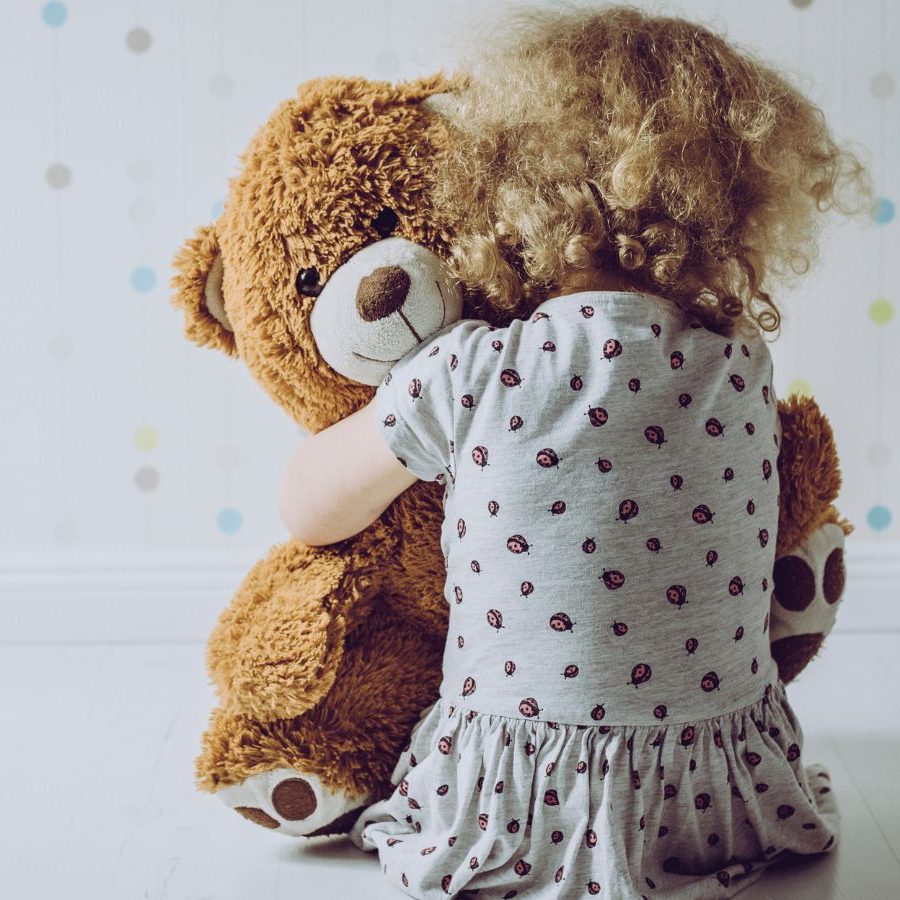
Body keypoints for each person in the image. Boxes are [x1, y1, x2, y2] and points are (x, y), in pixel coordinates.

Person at [278, 4, 872, 897]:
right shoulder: (738, 360)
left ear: (505, 189)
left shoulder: (473, 371)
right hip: (713, 796)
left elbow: (308, 507)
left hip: (518, 806)